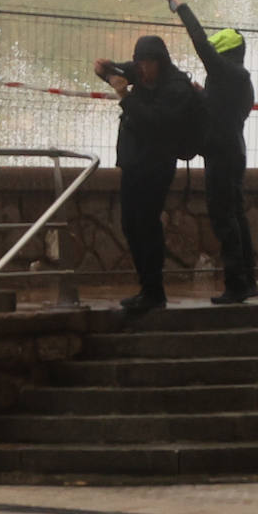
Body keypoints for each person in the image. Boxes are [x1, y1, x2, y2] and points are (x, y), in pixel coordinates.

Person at [94, 35, 196, 315]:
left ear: (160, 62)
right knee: (130, 224)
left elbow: (154, 122)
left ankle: (154, 290)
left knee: (147, 225)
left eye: (148, 64)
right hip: (133, 163)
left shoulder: (176, 87)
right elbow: (114, 71)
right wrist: (105, 68)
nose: (143, 70)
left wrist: (124, 96)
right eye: (140, 64)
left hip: (156, 166)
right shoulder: (139, 73)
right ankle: (146, 288)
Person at [167, 0, 258, 304]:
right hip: (235, 150)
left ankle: (236, 284)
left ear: (226, 54)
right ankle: (249, 280)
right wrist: (203, 94)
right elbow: (225, 111)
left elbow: (201, 43)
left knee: (223, 217)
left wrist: (183, 9)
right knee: (237, 216)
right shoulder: (241, 81)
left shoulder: (226, 72)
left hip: (221, 154)